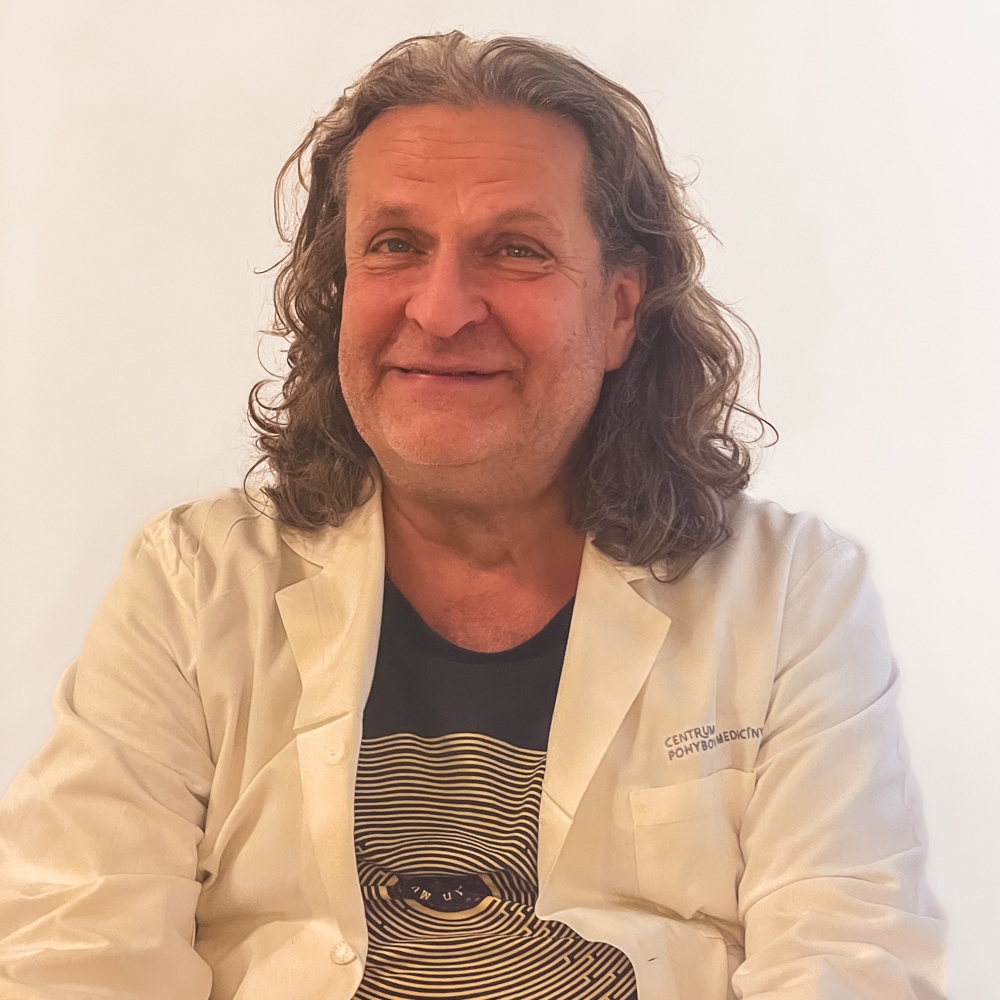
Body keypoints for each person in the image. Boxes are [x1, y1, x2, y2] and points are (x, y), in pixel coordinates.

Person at [0, 31, 945, 1000]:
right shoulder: (192, 583)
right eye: (395, 245)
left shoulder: (789, 598)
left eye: (515, 250)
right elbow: (78, 952)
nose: (442, 309)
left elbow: (849, 961)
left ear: (620, 311)